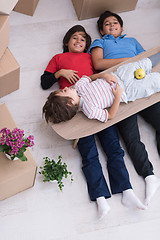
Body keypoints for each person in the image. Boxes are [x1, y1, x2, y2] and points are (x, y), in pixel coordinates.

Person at [41, 25, 146, 220]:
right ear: (66, 41)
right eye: (74, 37)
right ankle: (100, 198)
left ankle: (126, 191)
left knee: (113, 148)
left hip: (97, 100)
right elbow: (45, 82)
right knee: (89, 155)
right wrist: (60, 73)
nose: (79, 40)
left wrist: (104, 76)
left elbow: (97, 71)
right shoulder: (59, 58)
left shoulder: (90, 57)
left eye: (83, 38)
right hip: (72, 111)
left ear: (87, 44)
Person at [89, 10, 160, 206]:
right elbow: (98, 63)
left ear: (122, 27)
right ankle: (148, 176)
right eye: (107, 24)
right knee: (131, 138)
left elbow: (146, 59)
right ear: (102, 30)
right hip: (117, 89)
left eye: (115, 23)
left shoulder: (132, 41)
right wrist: (126, 62)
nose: (111, 25)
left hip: (139, 82)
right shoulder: (100, 42)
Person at [42, 56, 160, 124]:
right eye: (64, 91)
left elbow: (89, 78)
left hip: (118, 76)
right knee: (153, 82)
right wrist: (118, 96)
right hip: (126, 92)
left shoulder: (78, 87)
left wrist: (104, 76)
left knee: (142, 63)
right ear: (70, 102)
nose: (66, 87)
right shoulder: (89, 110)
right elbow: (110, 115)